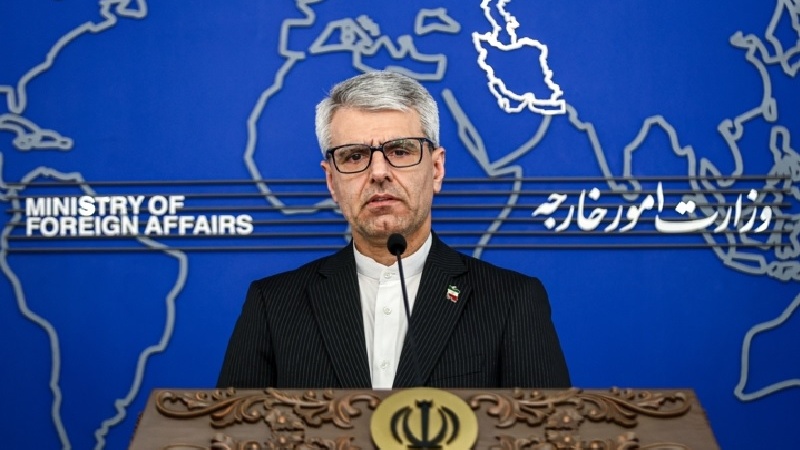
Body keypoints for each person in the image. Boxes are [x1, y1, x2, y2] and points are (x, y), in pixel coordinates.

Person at [217, 71, 570, 389]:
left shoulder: (511, 301)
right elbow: (232, 431)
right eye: (354, 156)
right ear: (331, 181)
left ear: (436, 169)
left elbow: (546, 431)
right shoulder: (273, 306)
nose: (378, 172)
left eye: (400, 151)